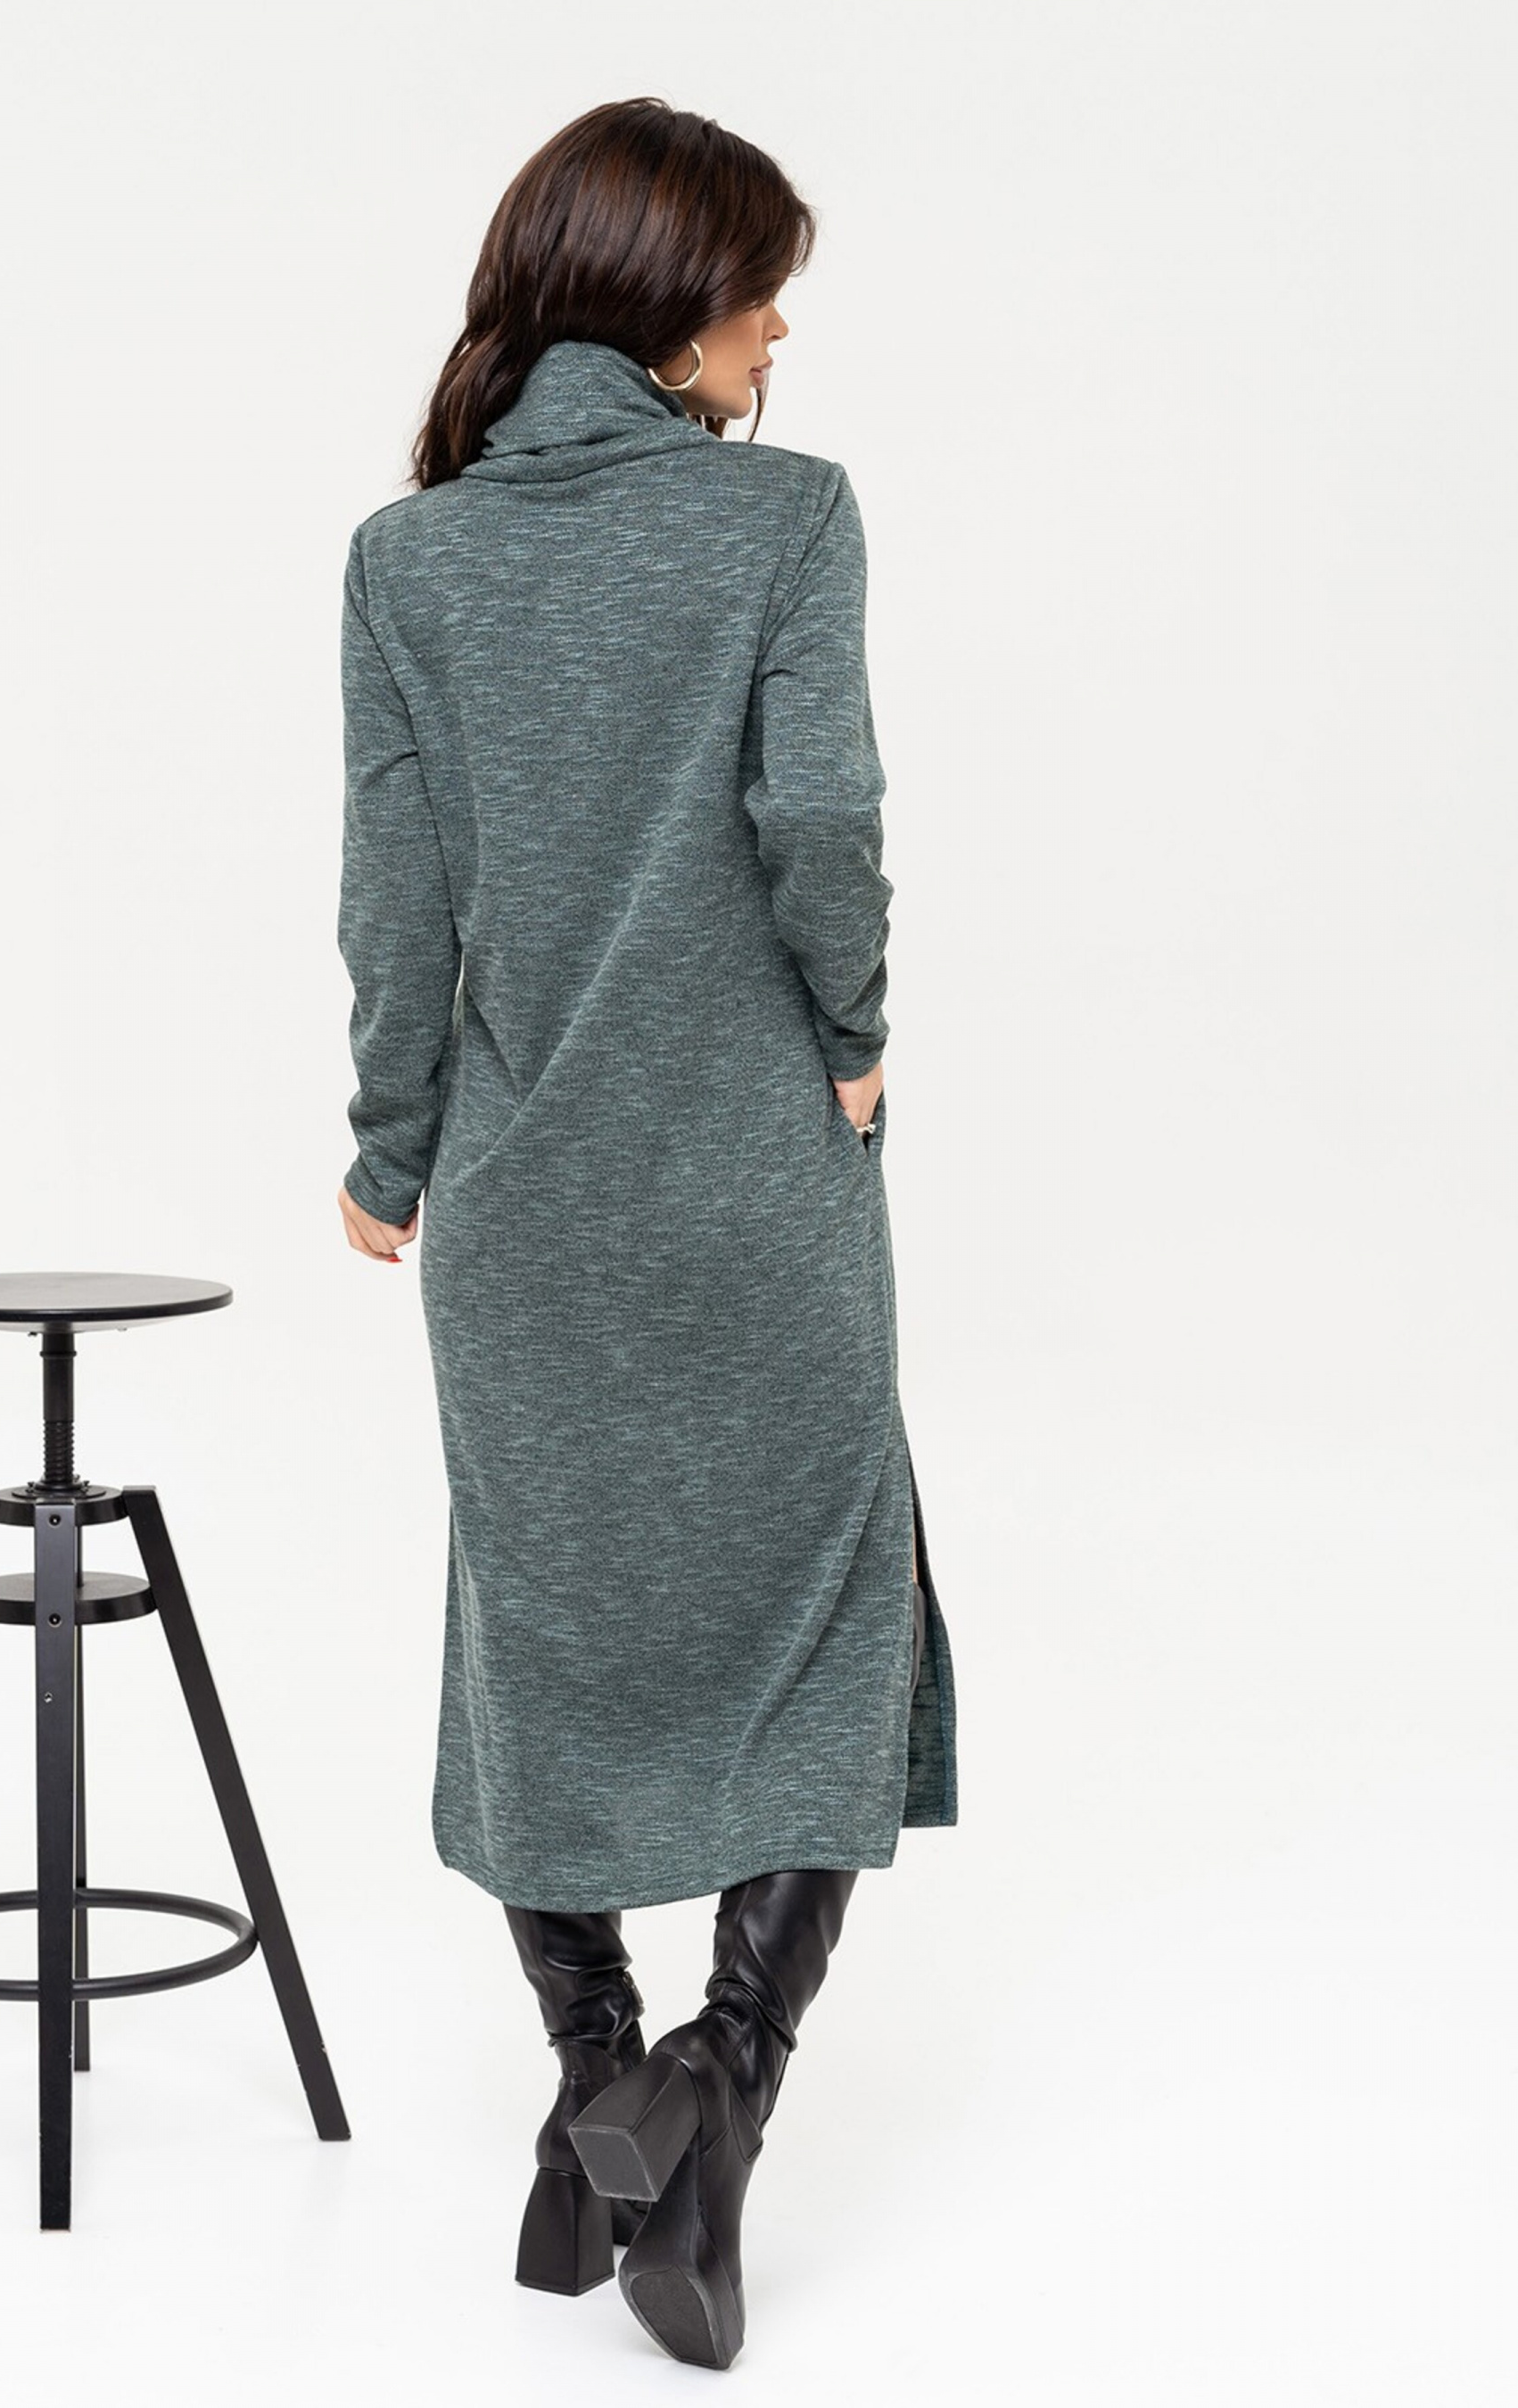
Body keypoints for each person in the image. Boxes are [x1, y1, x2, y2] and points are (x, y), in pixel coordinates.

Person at [334, 96, 958, 2370]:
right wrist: (856, 1039)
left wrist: (389, 1157)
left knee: (543, 1644)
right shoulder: (784, 524)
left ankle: (593, 2080)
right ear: (667, 302)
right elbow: (824, 820)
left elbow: (395, 905)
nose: (779, 333)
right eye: (759, 291)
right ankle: (715, 2087)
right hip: (754, 1190)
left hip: (520, 1222)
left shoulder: (405, 566)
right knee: (834, 1615)